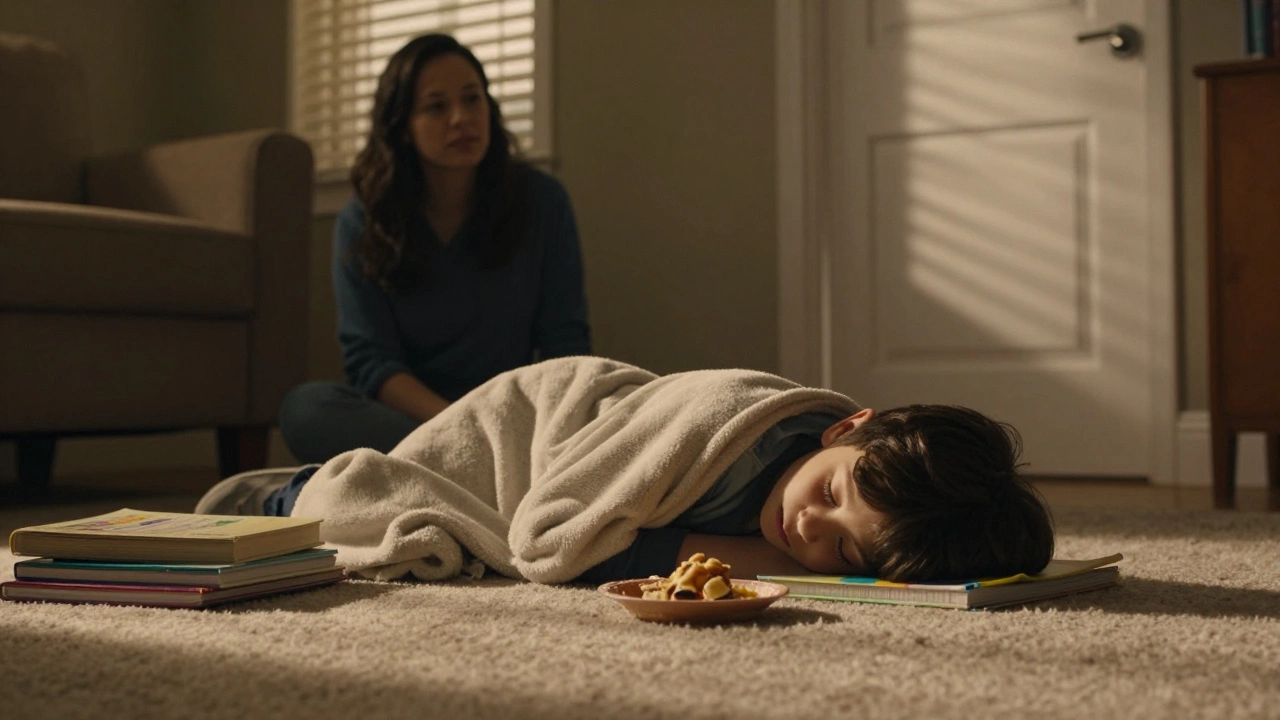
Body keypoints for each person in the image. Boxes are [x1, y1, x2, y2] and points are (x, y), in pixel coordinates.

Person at [199, 359, 1054, 584]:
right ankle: (284, 491)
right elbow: (556, 537)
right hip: (533, 420)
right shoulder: (734, 425)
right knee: (365, 497)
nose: (809, 531)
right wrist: (765, 564)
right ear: (846, 427)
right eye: (830, 495)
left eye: (848, 555)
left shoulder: (830, 492)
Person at [278, 33, 591, 464]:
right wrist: (457, 426)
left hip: (515, 421)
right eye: (436, 106)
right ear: (403, 127)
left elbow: (565, 342)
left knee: (618, 407)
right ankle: (477, 473)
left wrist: (543, 429)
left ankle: (459, 477)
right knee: (306, 409)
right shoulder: (365, 220)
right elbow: (371, 362)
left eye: (472, 99)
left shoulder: (541, 202)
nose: (461, 118)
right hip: (418, 423)